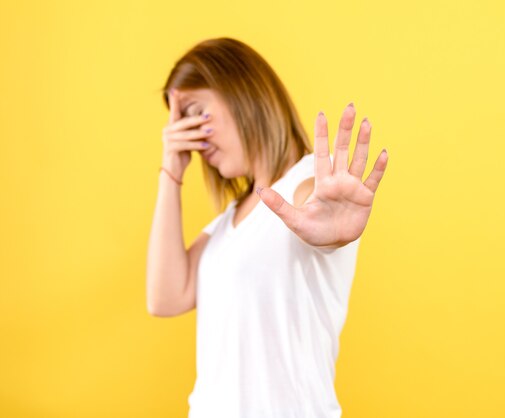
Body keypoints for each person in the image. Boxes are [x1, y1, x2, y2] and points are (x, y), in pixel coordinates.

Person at [146, 37, 389, 418]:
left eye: (197, 114)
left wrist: (331, 224)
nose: (192, 138)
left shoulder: (306, 185)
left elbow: (312, 209)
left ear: (242, 92)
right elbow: (164, 298)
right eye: (183, 125)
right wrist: (171, 171)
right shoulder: (229, 220)